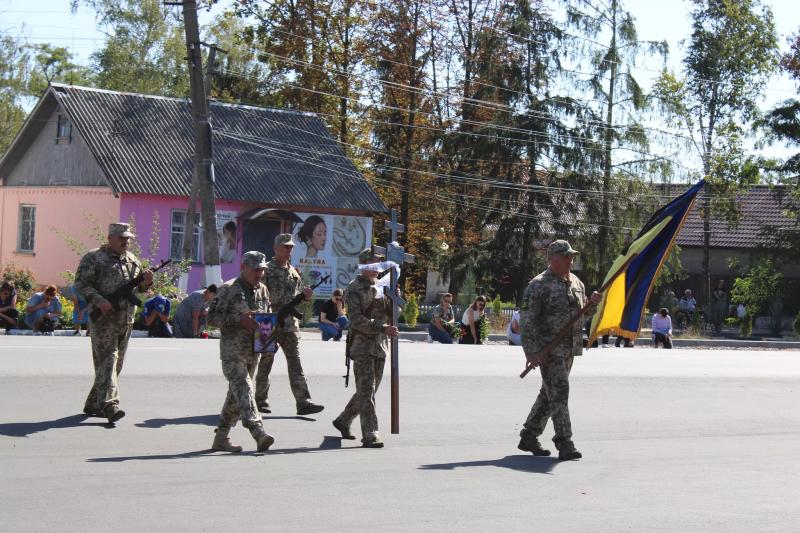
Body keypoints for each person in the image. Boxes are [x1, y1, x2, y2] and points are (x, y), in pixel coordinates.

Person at [517, 240, 601, 461]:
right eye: (566, 257)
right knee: (560, 392)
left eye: (571, 256)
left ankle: (529, 435)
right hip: (549, 350)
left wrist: (592, 304)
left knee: (550, 393)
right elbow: (527, 321)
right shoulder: (538, 285)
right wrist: (531, 352)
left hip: (569, 349)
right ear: (553, 259)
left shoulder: (576, 283)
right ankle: (564, 442)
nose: (570, 260)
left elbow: (583, 315)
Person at [74, 222, 153, 424]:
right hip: (104, 320)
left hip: (125, 320)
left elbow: (139, 290)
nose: (126, 242)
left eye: (128, 238)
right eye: (121, 238)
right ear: (110, 238)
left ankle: (94, 403)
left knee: (114, 366)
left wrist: (146, 282)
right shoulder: (95, 258)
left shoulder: (132, 259)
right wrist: (99, 299)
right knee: (108, 361)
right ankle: (110, 406)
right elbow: (81, 284)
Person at [207, 251, 275, 453]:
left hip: (253, 353)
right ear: (243, 268)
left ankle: (221, 438)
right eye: (256, 270)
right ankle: (258, 432)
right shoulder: (228, 289)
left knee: (236, 398)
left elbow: (266, 318)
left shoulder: (263, 290)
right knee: (245, 389)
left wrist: (269, 343)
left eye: (262, 270)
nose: (259, 274)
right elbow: (211, 319)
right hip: (232, 354)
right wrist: (239, 319)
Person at [331, 248, 399, 448]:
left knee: (368, 390)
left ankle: (344, 420)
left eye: (379, 263)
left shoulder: (382, 285)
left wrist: (395, 299)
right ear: (364, 265)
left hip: (380, 345)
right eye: (374, 263)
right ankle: (370, 433)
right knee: (367, 390)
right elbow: (356, 319)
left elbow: (393, 314)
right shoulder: (354, 288)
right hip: (362, 345)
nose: (378, 267)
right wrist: (382, 327)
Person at [254, 233, 324, 416]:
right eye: (285, 246)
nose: (289, 249)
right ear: (275, 248)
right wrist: (262, 318)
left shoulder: (294, 272)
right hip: (269, 321)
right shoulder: (266, 270)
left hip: (290, 324)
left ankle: (304, 402)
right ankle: (260, 400)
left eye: (291, 247)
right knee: (266, 361)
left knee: (295, 362)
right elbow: (258, 294)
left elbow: (295, 298)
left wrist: (305, 297)